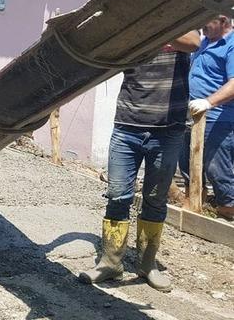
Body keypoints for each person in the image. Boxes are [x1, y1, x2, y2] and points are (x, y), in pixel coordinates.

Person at [79, 31, 199, 292]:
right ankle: (110, 263)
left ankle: (147, 264)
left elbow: (194, 42)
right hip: (127, 126)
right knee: (118, 196)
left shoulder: (181, 19)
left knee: (155, 200)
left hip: (168, 129)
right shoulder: (130, 30)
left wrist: (155, 29)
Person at [186, 15, 234, 221]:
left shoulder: (231, 45)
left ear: (223, 20)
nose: (202, 26)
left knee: (217, 165)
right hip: (195, 115)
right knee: (190, 161)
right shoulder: (204, 41)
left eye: (208, 21)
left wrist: (208, 102)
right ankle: (197, 200)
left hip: (219, 117)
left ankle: (228, 208)